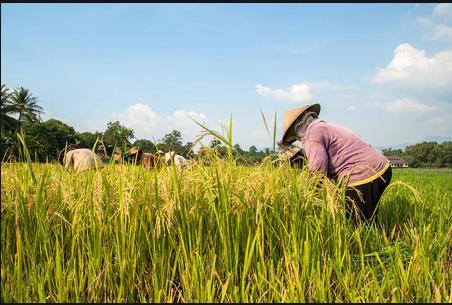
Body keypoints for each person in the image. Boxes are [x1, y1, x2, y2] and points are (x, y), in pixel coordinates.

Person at [278, 103, 392, 223]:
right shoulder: (323, 127)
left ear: (299, 126)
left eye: (295, 133)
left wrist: (307, 193)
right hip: (381, 168)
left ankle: (366, 241)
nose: (298, 138)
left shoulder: (312, 132)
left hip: (362, 174)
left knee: (356, 223)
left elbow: (318, 168)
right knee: (368, 218)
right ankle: (382, 239)